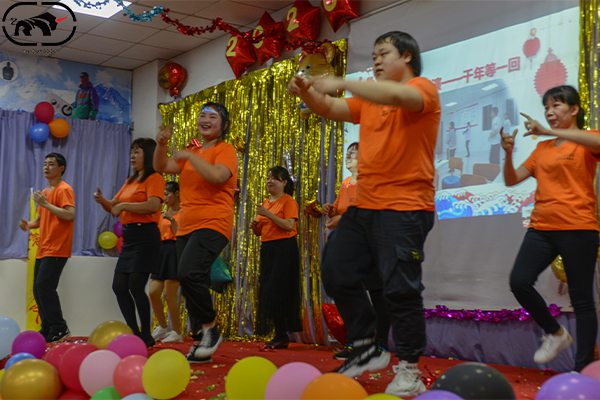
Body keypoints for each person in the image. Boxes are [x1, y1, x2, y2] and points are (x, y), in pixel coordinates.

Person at [287, 30, 440, 397]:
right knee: (336, 270)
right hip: (364, 207)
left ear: (406, 56)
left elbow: (397, 96)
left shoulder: (422, 88)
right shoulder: (369, 99)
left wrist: (341, 82)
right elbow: (329, 108)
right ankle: (365, 344)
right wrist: (306, 91)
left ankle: (409, 369)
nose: (375, 61)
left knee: (400, 290)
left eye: (383, 53)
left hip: (405, 207)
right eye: (372, 56)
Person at [503, 85, 600, 372]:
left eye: (556, 106)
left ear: (574, 109)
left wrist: (547, 131)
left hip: (578, 227)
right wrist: (507, 153)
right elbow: (511, 180)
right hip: (542, 227)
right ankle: (555, 333)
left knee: (582, 300)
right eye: (546, 107)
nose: (549, 112)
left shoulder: (587, 140)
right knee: (519, 281)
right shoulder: (542, 148)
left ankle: (583, 369)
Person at [154, 102, 238, 363]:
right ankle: (201, 340)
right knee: (191, 279)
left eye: (213, 116)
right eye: (202, 115)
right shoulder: (192, 152)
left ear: (223, 125)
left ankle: (210, 328)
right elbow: (161, 166)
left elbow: (218, 176)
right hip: (186, 226)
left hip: (214, 221)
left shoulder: (225, 150)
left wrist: (192, 158)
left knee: (188, 273)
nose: (205, 119)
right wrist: (161, 144)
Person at [321, 142, 391, 361]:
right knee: (349, 293)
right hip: (348, 244)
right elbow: (339, 209)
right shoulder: (345, 182)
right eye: (347, 153)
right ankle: (356, 343)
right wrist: (330, 209)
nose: (348, 157)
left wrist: (342, 219)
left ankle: (380, 345)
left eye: (354, 153)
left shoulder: (371, 181)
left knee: (378, 294)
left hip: (371, 243)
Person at [94, 138, 165, 348]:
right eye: (132, 152)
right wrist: (102, 200)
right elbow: (113, 207)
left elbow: (153, 206)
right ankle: (134, 331)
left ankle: (146, 334)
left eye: (137, 152)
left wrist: (124, 206)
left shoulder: (155, 177)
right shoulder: (131, 180)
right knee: (119, 286)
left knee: (136, 285)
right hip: (130, 237)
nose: (132, 156)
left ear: (148, 155)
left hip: (146, 236)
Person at [19, 153, 75, 343]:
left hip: (58, 247)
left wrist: (46, 204)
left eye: (51, 164)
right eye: (45, 164)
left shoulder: (65, 189)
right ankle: (48, 327)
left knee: (45, 285)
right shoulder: (45, 191)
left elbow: (69, 214)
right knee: (38, 288)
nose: (46, 167)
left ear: (61, 168)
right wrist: (29, 224)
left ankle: (60, 327)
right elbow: (42, 218)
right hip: (44, 247)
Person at [249, 166, 303, 349]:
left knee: (280, 291)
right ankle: (278, 333)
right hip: (268, 249)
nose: (269, 181)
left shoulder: (288, 201)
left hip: (284, 249)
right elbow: (260, 232)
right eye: (268, 178)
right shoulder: (265, 203)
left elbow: (289, 226)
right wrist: (255, 227)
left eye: (274, 178)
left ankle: (281, 334)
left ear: (285, 182)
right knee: (268, 291)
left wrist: (268, 215)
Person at [149, 181, 183, 343]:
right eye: (163, 194)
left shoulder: (184, 213)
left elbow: (181, 236)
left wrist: (173, 220)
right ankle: (162, 327)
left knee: (170, 295)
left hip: (175, 251)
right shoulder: (163, 213)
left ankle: (176, 332)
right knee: (153, 292)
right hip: (162, 252)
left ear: (177, 193)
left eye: (167, 194)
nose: (165, 197)